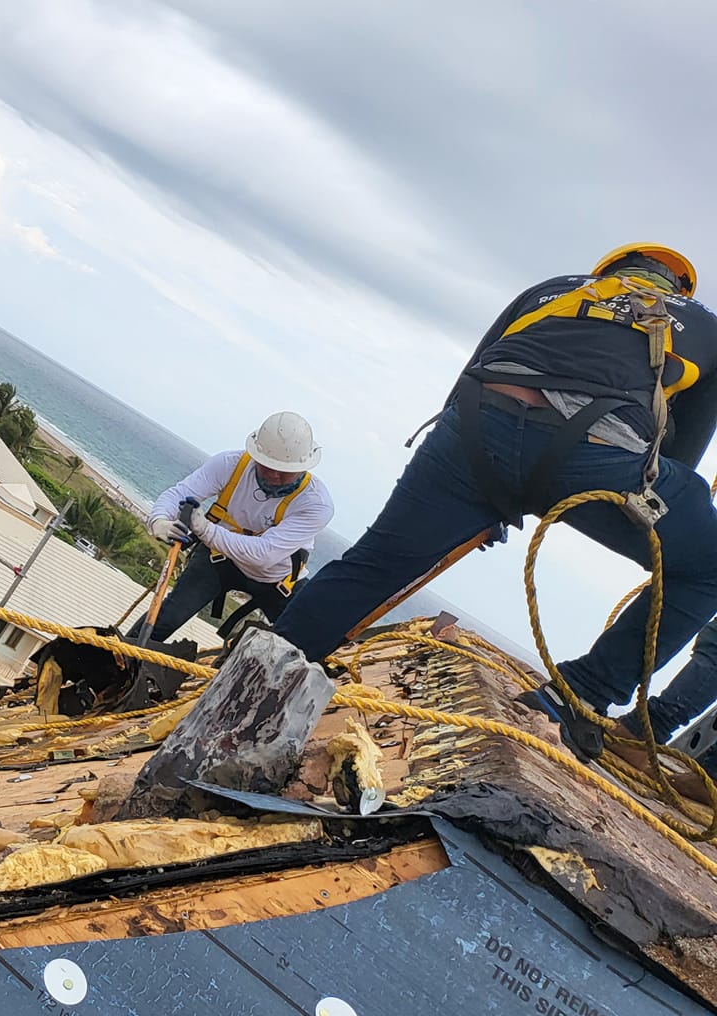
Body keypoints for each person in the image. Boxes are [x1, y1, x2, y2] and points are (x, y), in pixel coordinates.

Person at [273, 246, 717, 759]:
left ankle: (267, 662)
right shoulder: (703, 325)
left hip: (472, 430)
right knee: (707, 568)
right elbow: (678, 453)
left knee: (375, 563)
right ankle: (578, 697)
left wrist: (480, 491)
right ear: (679, 289)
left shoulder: (554, 288)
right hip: (595, 451)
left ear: (607, 270)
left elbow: (474, 370)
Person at [143, 413, 334, 643]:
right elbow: (180, 494)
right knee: (165, 618)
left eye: (284, 470)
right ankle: (114, 658)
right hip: (218, 559)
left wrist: (205, 529)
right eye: (267, 466)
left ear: (303, 467)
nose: (274, 475)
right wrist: (159, 520)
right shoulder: (229, 465)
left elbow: (263, 555)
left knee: (305, 642)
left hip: (278, 579)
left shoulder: (316, 503)